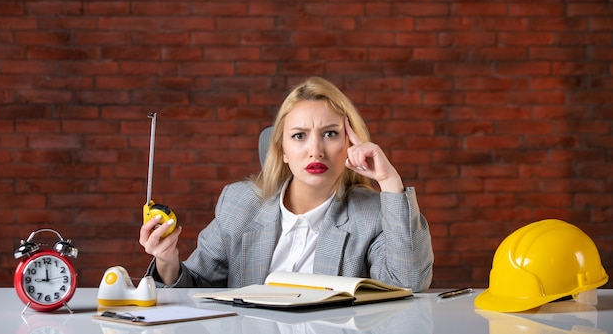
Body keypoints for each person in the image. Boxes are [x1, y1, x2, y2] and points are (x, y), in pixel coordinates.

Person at [139, 77, 434, 291]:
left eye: (330, 134)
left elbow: (407, 283)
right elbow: (194, 288)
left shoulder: (372, 213)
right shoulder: (240, 203)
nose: (315, 150)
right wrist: (167, 259)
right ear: (281, 149)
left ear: (350, 143)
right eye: (299, 136)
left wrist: (389, 181)